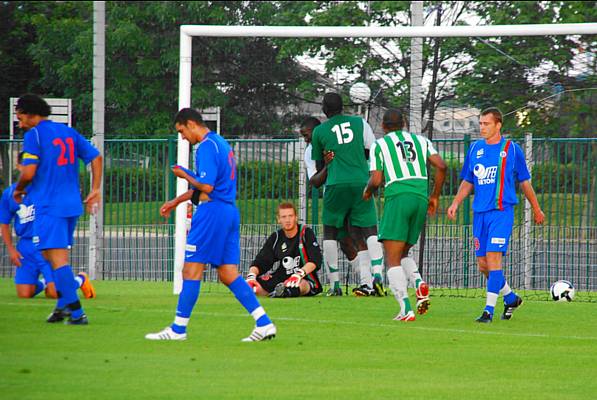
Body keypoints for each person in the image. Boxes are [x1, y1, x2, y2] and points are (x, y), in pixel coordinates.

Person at [145, 108, 276, 342]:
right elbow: (209, 184)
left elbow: (206, 187)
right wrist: (176, 201)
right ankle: (264, 323)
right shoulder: (220, 143)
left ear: (191, 124)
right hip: (228, 212)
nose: (183, 137)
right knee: (228, 274)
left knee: (191, 270)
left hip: (212, 213)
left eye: (182, 131)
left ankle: (178, 329)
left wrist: (184, 173)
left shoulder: (205, 146)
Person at [447, 107, 545, 323]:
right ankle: (510, 297)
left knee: (493, 259)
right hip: (479, 214)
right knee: (483, 265)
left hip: (502, 212)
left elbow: (524, 181)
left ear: (498, 125)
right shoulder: (474, 149)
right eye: (480, 124)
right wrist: (455, 202)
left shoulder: (512, 149)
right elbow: (468, 180)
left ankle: (488, 311)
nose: (482, 128)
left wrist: (537, 208)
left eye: (486, 124)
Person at [13, 94, 102, 325]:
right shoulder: (68, 132)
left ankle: (76, 313)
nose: (20, 124)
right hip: (71, 204)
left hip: (49, 205)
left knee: (58, 259)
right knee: (49, 255)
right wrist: (94, 189)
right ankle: (62, 306)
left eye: (21, 118)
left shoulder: (34, 135)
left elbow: (29, 172)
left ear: (31, 115)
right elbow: (95, 156)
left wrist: (19, 189)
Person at [363, 109, 446, 321]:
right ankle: (418, 283)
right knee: (402, 254)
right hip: (420, 198)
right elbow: (441, 166)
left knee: (391, 259)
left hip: (398, 197)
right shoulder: (421, 140)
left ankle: (405, 309)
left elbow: (376, 179)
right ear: (405, 123)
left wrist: (367, 191)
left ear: (383, 126)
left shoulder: (379, 145)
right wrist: (434, 196)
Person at [310, 93, 386, 297]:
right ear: (343, 107)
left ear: (325, 109)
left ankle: (334, 284)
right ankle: (377, 275)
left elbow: (319, 168)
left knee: (330, 233)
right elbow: (373, 149)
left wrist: (335, 159)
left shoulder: (319, 131)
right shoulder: (360, 123)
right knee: (369, 230)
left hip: (335, 184)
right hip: (361, 181)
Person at [1, 152, 96, 300]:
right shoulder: (9, 194)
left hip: (46, 243)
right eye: (25, 164)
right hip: (25, 246)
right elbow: (4, 223)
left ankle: (80, 279)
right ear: (19, 166)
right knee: (24, 294)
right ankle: (47, 282)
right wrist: (11, 249)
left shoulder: (47, 189)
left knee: (53, 294)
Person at [300, 117, 375, 296]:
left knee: (356, 235)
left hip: (351, 191)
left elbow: (366, 153)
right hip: (335, 196)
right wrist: (327, 165)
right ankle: (349, 284)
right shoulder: (309, 152)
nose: (305, 139)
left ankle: (369, 283)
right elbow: (315, 181)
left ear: (319, 131)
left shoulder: (341, 142)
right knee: (345, 242)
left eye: (306, 134)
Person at [246, 202, 323, 298]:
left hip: (304, 277)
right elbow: (261, 262)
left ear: (296, 217)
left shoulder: (305, 233)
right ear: (278, 219)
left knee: (300, 285)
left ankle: (284, 292)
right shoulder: (276, 237)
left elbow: (316, 260)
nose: (287, 220)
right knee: (253, 288)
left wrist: (298, 274)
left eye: (290, 216)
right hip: (281, 278)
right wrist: (251, 276)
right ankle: (279, 291)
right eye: (284, 217)